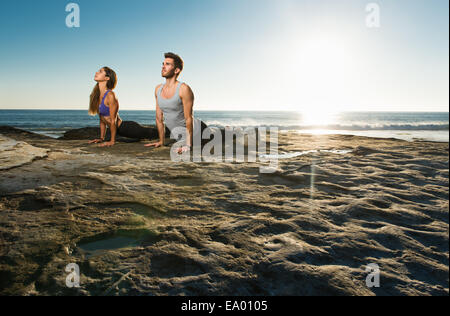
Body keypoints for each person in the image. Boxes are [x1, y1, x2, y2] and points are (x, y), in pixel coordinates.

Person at [145, 53, 208, 154]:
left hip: (198, 130)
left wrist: (188, 145)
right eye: (163, 64)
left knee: (220, 138)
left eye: (168, 64)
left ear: (176, 70)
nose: (163, 67)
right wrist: (161, 141)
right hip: (180, 135)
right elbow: (159, 118)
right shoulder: (158, 89)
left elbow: (188, 119)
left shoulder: (183, 89)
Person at [88, 67, 158, 147]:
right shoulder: (96, 96)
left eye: (100, 71)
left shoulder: (110, 95)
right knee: (144, 136)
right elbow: (102, 121)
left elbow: (113, 120)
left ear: (107, 78)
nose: (96, 72)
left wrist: (112, 141)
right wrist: (101, 138)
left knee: (154, 133)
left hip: (127, 128)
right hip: (118, 131)